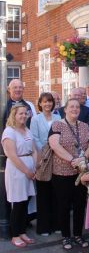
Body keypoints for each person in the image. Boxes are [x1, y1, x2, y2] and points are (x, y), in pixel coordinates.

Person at [49, 98, 89, 250]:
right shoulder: (57, 124)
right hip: (62, 173)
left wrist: (84, 158)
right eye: (71, 107)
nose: (75, 109)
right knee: (64, 206)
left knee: (80, 205)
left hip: (81, 173)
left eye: (77, 107)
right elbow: (54, 145)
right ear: (65, 109)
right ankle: (66, 236)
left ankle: (78, 235)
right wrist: (73, 160)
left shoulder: (85, 126)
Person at [1, 103, 37, 248]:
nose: (23, 116)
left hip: (29, 169)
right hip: (17, 170)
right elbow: (12, 155)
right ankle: (15, 235)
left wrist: (33, 167)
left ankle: (22, 231)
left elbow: (34, 150)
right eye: (20, 113)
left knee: (25, 202)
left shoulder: (26, 130)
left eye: (25, 113)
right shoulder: (9, 132)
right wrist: (27, 171)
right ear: (14, 115)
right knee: (17, 203)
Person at [30, 92, 61, 235]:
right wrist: (47, 148)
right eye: (44, 102)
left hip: (57, 158)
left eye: (50, 101)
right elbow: (34, 138)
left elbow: (60, 135)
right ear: (40, 104)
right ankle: (44, 227)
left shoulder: (58, 117)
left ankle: (56, 224)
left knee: (56, 193)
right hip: (43, 158)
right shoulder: (35, 119)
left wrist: (56, 148)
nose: (47, 104)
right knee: (43, 194)